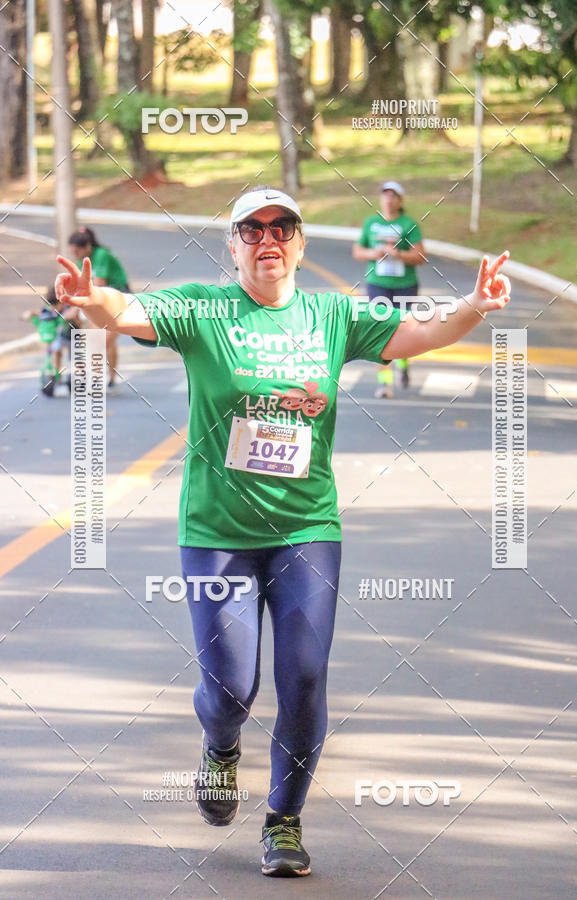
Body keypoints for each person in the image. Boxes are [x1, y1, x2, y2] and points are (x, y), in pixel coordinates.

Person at [54, 186, 511, 878]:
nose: (268, 239)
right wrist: (94, 303)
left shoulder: (332, 315)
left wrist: (476, 305)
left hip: (306, 527)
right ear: (231, 245)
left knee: (303, 677)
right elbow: (129, 311)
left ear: (299, 244)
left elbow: (421, 333)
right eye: (251, 228)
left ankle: (284, 821)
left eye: (283, 227)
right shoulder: (204, 309)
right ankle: (220, 743)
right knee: (233, 687)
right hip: (216, 531)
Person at [353, 180, 427, 395]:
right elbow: (358, 251)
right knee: (381, 329)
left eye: (393, 196)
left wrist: (399, 255)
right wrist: (373, 254)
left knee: (403, 327)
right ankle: (384, 383)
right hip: (378, 284)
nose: (388, 199)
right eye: (385, 195)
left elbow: (421, 255)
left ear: (400, 200)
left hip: (405, 284)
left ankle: (403, 362)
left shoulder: (408, 225)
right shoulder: (371, 224)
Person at [68, 226, 130, 390]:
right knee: (94, 338)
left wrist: (76, 309)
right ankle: (108, 378)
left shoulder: (101, 255)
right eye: (73, 252)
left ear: (88, 247)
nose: (76, 255)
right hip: (101, 303)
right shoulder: (81, 261)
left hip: (118, 300)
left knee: (103, 340)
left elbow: (98, 285)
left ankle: (103, 377)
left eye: (78, 251)